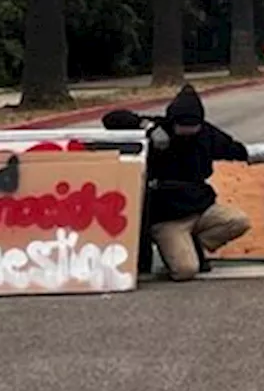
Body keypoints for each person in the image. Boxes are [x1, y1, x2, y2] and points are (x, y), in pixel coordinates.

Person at [102, 84, 252, 280]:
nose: (188, 131)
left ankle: (194, 242)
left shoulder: (207, 134)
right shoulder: (158, 128)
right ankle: (173, 247)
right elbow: (111, 119)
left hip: (200, 208)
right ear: (172, 122)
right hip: (167, 217)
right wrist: (146, 127)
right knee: (185, 271)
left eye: (193, 127)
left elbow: (238, 150)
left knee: (238, 221)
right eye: (183, 127)